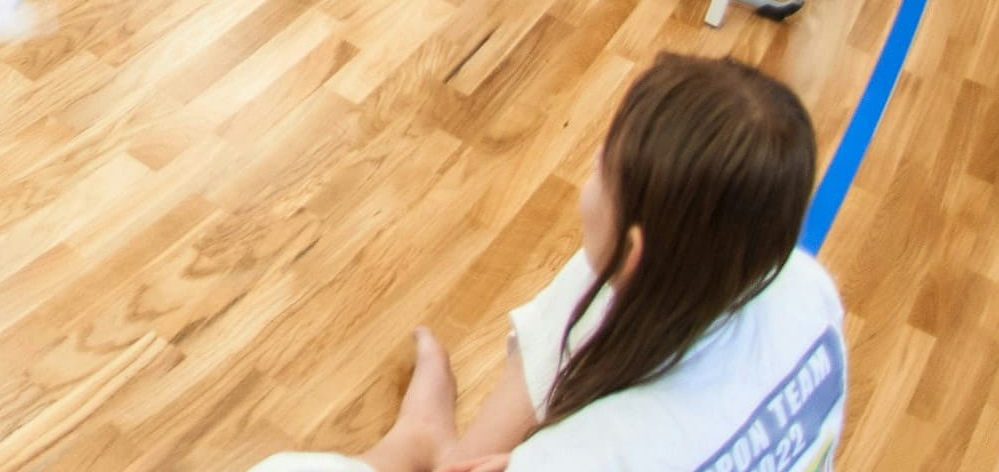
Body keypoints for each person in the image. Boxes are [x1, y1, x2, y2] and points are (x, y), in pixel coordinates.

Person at [243, 55, 841, 472]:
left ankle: (412, 446)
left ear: (634, 252)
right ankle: (449, 446)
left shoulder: (597, 456)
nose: (588, 185)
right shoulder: (806, 289)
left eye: (599, 170)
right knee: (596, 277)